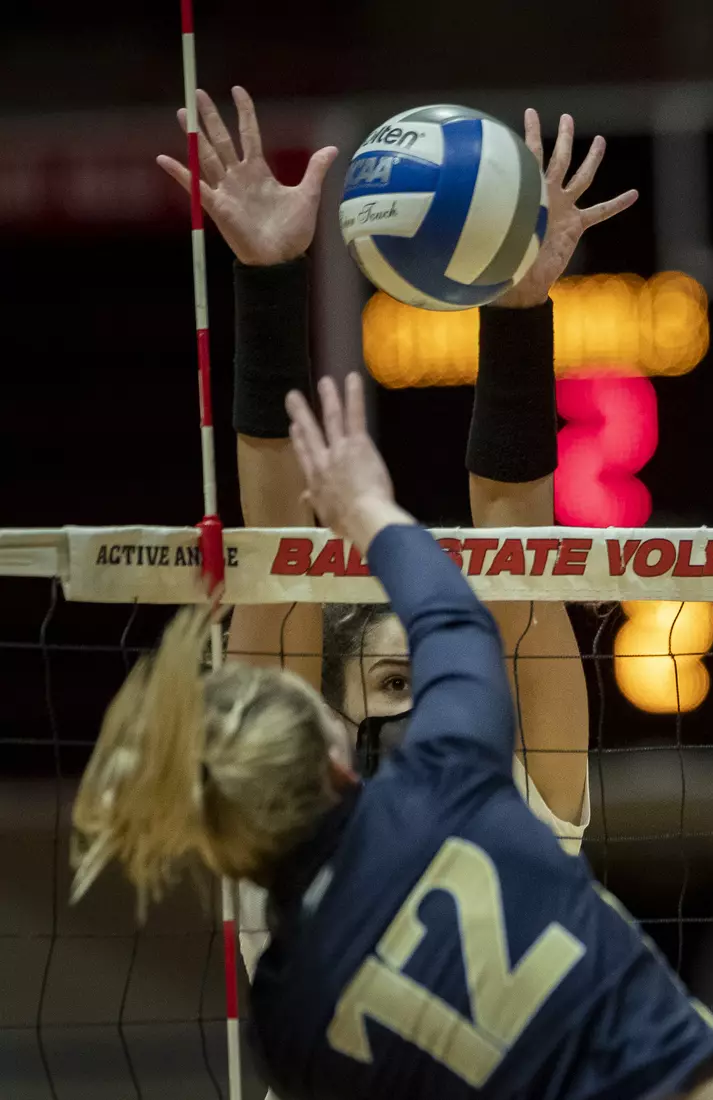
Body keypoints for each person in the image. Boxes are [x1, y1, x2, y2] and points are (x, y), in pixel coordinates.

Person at [70, 371, 713, 1100]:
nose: (426, 701)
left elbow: (516, 552)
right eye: (393, 683)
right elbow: (304, 579)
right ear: (334, 744)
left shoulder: (288, 998)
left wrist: (276, 292)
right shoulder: (458, 783)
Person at [155, 87, 630, 978]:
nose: (439, 693)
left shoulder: (523, 820)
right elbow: (278, 548)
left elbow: (512, 534)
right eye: (401, 678)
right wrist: (267, 279)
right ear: (324, 727)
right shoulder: (277, 838)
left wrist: (519, 302)